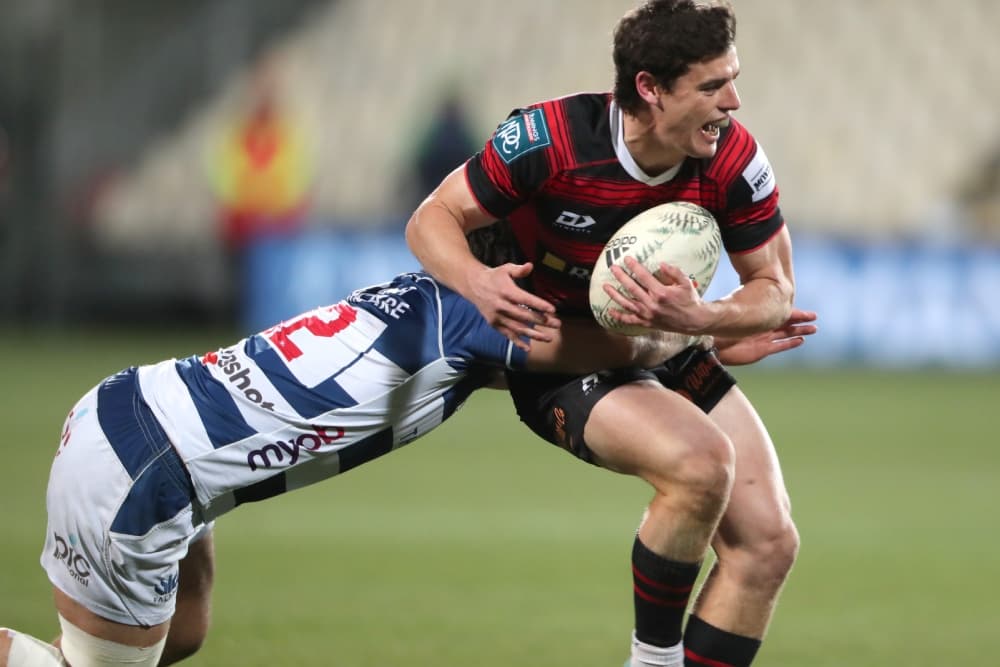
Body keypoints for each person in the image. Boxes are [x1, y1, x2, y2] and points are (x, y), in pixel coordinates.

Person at [0, 268, 814, 667]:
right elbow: (598, 350)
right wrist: (701, 330)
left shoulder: (430, 298)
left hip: (134, 408)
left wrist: (697, 346)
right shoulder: (478, 316)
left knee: (185, 633)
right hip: (147, 474)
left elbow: (574, 368)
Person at [405, 1, 801, 665]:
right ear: (649, 89)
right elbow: (432, 217)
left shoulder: (732, 159)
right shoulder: (550, 140)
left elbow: (776, 291)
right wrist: (480, 283)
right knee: (701, 466)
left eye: (732, 79)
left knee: (768, 543)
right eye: (711, 86)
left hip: (672, 343)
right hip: (565, 356)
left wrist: (707, 319)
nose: (733, 101)